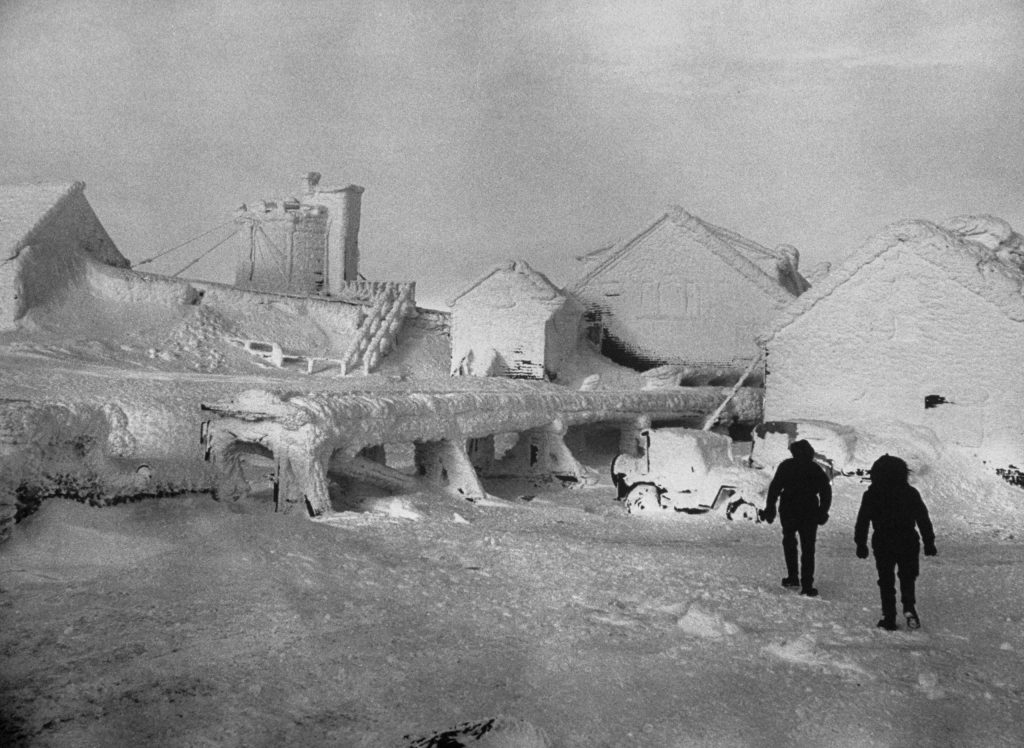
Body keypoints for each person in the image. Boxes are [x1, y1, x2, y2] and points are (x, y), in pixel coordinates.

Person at [855, 454, 936, 631]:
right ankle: (909, 606)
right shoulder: (910, 493)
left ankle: (889, 616)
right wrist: (929, 541)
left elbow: (863, 521)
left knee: (886, 580)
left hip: (883, 540)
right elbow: (923, 518)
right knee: (907, 577)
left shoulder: (872, 494)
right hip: (907, 539)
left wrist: (861, 543)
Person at [763, 439, 832, 597]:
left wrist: (770, 507)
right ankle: (807, 585)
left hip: (789, 509)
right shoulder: (814, 468)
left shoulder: (786, 466)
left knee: (789, 542)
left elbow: (775, 488)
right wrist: (823, 511)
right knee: (808, 548)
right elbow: (825, 491)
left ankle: (793, 577)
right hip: (809, 510)